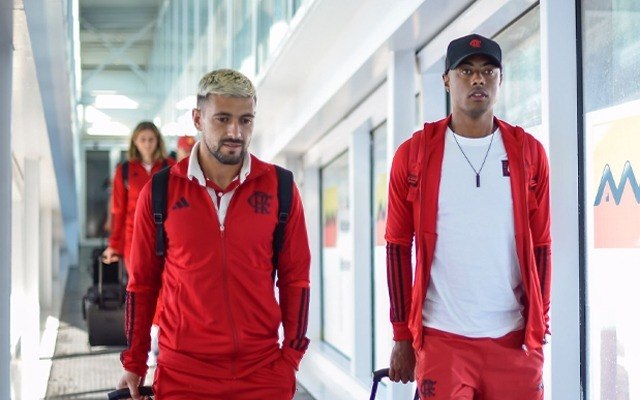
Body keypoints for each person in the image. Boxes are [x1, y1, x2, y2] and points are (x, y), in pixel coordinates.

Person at [117, 69, 311, 399]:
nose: (235, 131)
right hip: (183, 375)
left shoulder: (280, 187)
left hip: (262, 372)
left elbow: (296, 279)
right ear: (198, 119)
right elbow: (142, 284)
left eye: (245, 120)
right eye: (223, 119)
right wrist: (135, 361)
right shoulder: (160, 191)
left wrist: (291, 357)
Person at [385, 33, 551, 399]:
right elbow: (397, 247)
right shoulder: (413, 156)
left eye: (488, 71)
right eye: (466, 71)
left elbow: (541, 246)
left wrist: (540, 323)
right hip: (443, 341)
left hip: (513, 341)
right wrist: (401, 335)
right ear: (446, 80)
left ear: (500, 79)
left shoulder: (529, 154)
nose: (478, 79)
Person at [102, 121, 174, 267]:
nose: (147, 144)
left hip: (166, 235)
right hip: (134, 236)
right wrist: (114, 244)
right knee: (137, 279)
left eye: (151, 139)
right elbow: (119, 210)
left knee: (167, 280)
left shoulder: (171, 166)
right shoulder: (124, 170)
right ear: (135, 141)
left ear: (158, 141)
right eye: (143, 139)